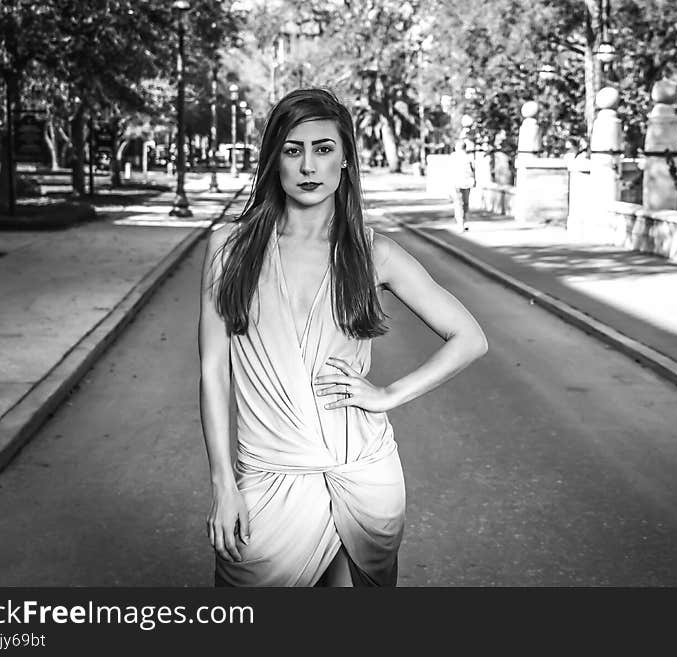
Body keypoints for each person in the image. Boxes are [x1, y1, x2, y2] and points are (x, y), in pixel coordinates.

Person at [198, 88, 488, 587]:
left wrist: (389, 395)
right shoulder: (229, 246)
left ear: (346, 161)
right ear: (275, 161)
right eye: (293, 150)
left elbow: (470, 337)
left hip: (362, 474)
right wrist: (224, 484)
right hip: (269, 476)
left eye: (324, 148)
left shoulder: (375, 254)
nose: (309, 165)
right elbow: (212, 372)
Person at [449, 139, 476, 231]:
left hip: (457, 183)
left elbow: (450, 171)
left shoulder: (453, 157)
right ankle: (465, 222)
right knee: (466, 203)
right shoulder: (469, 158)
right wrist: (474, 181)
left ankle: (460, 223)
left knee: (458, 204)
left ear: (457, 148)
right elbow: (473, 170)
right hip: (467, 183)